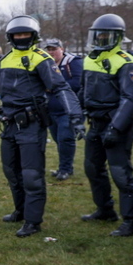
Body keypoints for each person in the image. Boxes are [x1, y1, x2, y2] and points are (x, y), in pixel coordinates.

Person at [0, 16, 83, 237]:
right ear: (10, 37)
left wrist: (76, 116)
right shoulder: (7, 58)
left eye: (25, 34)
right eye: (17, 35)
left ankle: (33, 221)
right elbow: (0, 85)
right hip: (9, 123)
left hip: (31, 124)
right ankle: (20, 211)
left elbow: (61, 88)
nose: (21, 38)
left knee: (32, 175)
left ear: (33, 36)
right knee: (11, 171)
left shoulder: (41, 59)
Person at [79, 15, 133, 236]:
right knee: (92, 168)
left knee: (121, 173)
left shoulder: (127, 62)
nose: (101, 38)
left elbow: (130, 99)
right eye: (98, 34)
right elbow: (82, 91)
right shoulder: (90, 60)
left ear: (117, 37)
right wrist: (77, 115)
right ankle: (105, 209)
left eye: (106, 35)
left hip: (117, 124)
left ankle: (131, 221)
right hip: (95, 123)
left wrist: (115, 128)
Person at [42, 39, 83, 181]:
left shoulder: (73, 61)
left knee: (65, 138)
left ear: (62, 49)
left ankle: (65, 169)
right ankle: (65, 166)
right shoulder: (47, 63)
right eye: (49, 49)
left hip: (68, 109)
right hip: (51, 108)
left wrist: (54, 86)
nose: (51, 52)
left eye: (54, 49)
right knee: (58, 139)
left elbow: (78, 83)